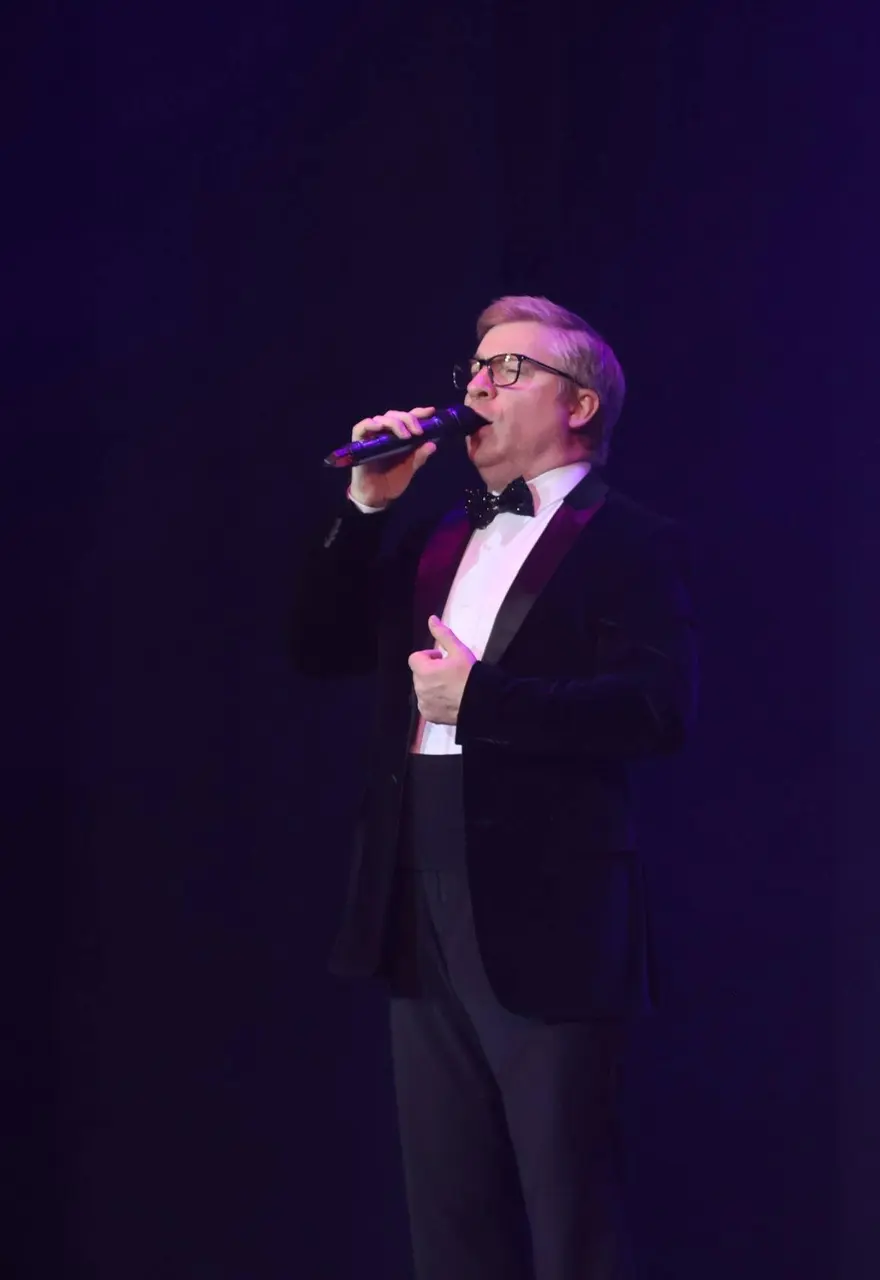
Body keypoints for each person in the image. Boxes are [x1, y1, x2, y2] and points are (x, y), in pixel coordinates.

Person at [289, 296, 697, 1280]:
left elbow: (656, 711)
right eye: (474, 366)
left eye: (510, 368)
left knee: (571, 1219)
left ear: (580, 404)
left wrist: (485, 700)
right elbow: (318, 646)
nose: (477, 382)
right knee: (450, 1216)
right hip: (418, 884)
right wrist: (367, 507)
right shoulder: (440, 535)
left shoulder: (629, 539)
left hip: (549, 910)